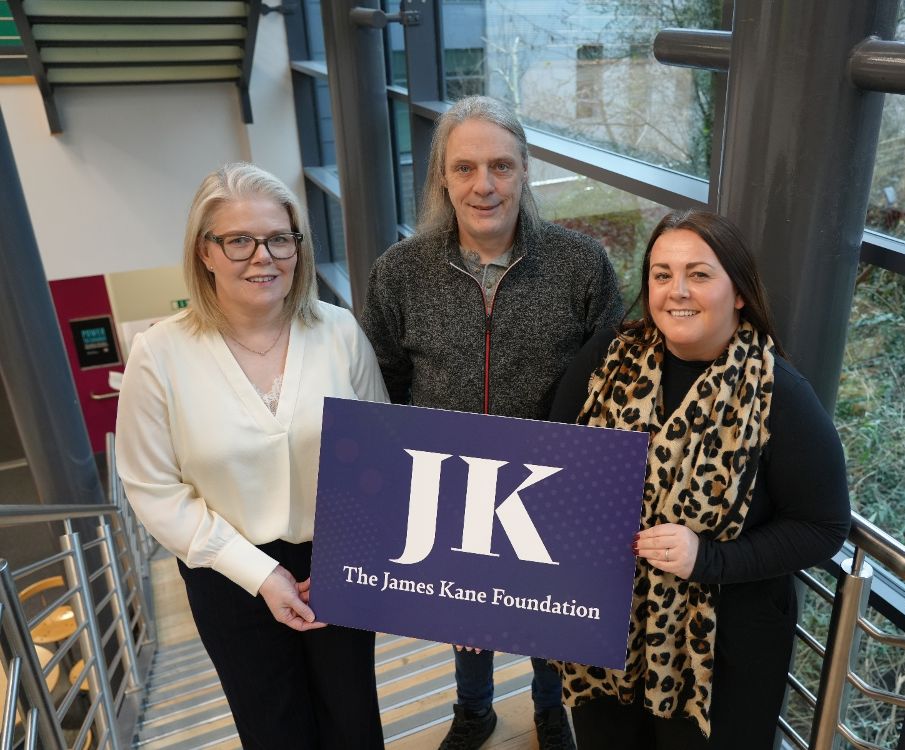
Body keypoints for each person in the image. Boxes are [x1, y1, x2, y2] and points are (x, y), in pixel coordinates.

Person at [362, 95, 623, 750]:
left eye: (501, 166)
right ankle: (473, 712)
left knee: (545, 622)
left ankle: (548, 708)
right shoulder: (398, 273)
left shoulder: (581, 265)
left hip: (550, 486)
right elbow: (385, 385)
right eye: (465, 168)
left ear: (525, 171)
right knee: (465, 621)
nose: (484, 185)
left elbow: (615, 384)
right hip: (447, 487)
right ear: (442, 179)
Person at [548, 209, 851, 749]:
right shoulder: (609, 357)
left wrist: (709, 558)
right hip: (602, 628)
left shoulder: (780, 395)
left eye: (700, 274)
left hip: (720, 654)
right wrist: (484, 600)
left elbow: (823, 526)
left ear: (738, 292)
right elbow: (545, 467)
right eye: (662, 274)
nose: (677, 291)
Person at [115, 162, 387, 749]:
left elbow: (380, 449)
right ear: (205, 252)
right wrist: (260, 574)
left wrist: (349, 555)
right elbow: (152, 487)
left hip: (336, 561)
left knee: (353, 719)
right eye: (239, 240)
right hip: (228, 573)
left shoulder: (338, 330)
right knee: (274, 730)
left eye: (279, 238)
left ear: (298, 247)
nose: (262, 256)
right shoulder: (158, 355)